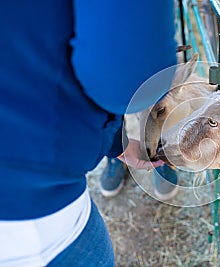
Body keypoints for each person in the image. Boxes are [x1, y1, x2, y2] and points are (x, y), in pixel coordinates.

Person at [0, 1, 177, 266]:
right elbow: (130, 82)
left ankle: (148, 145)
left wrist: (116, 143)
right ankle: (136, 151)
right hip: (43, 220)